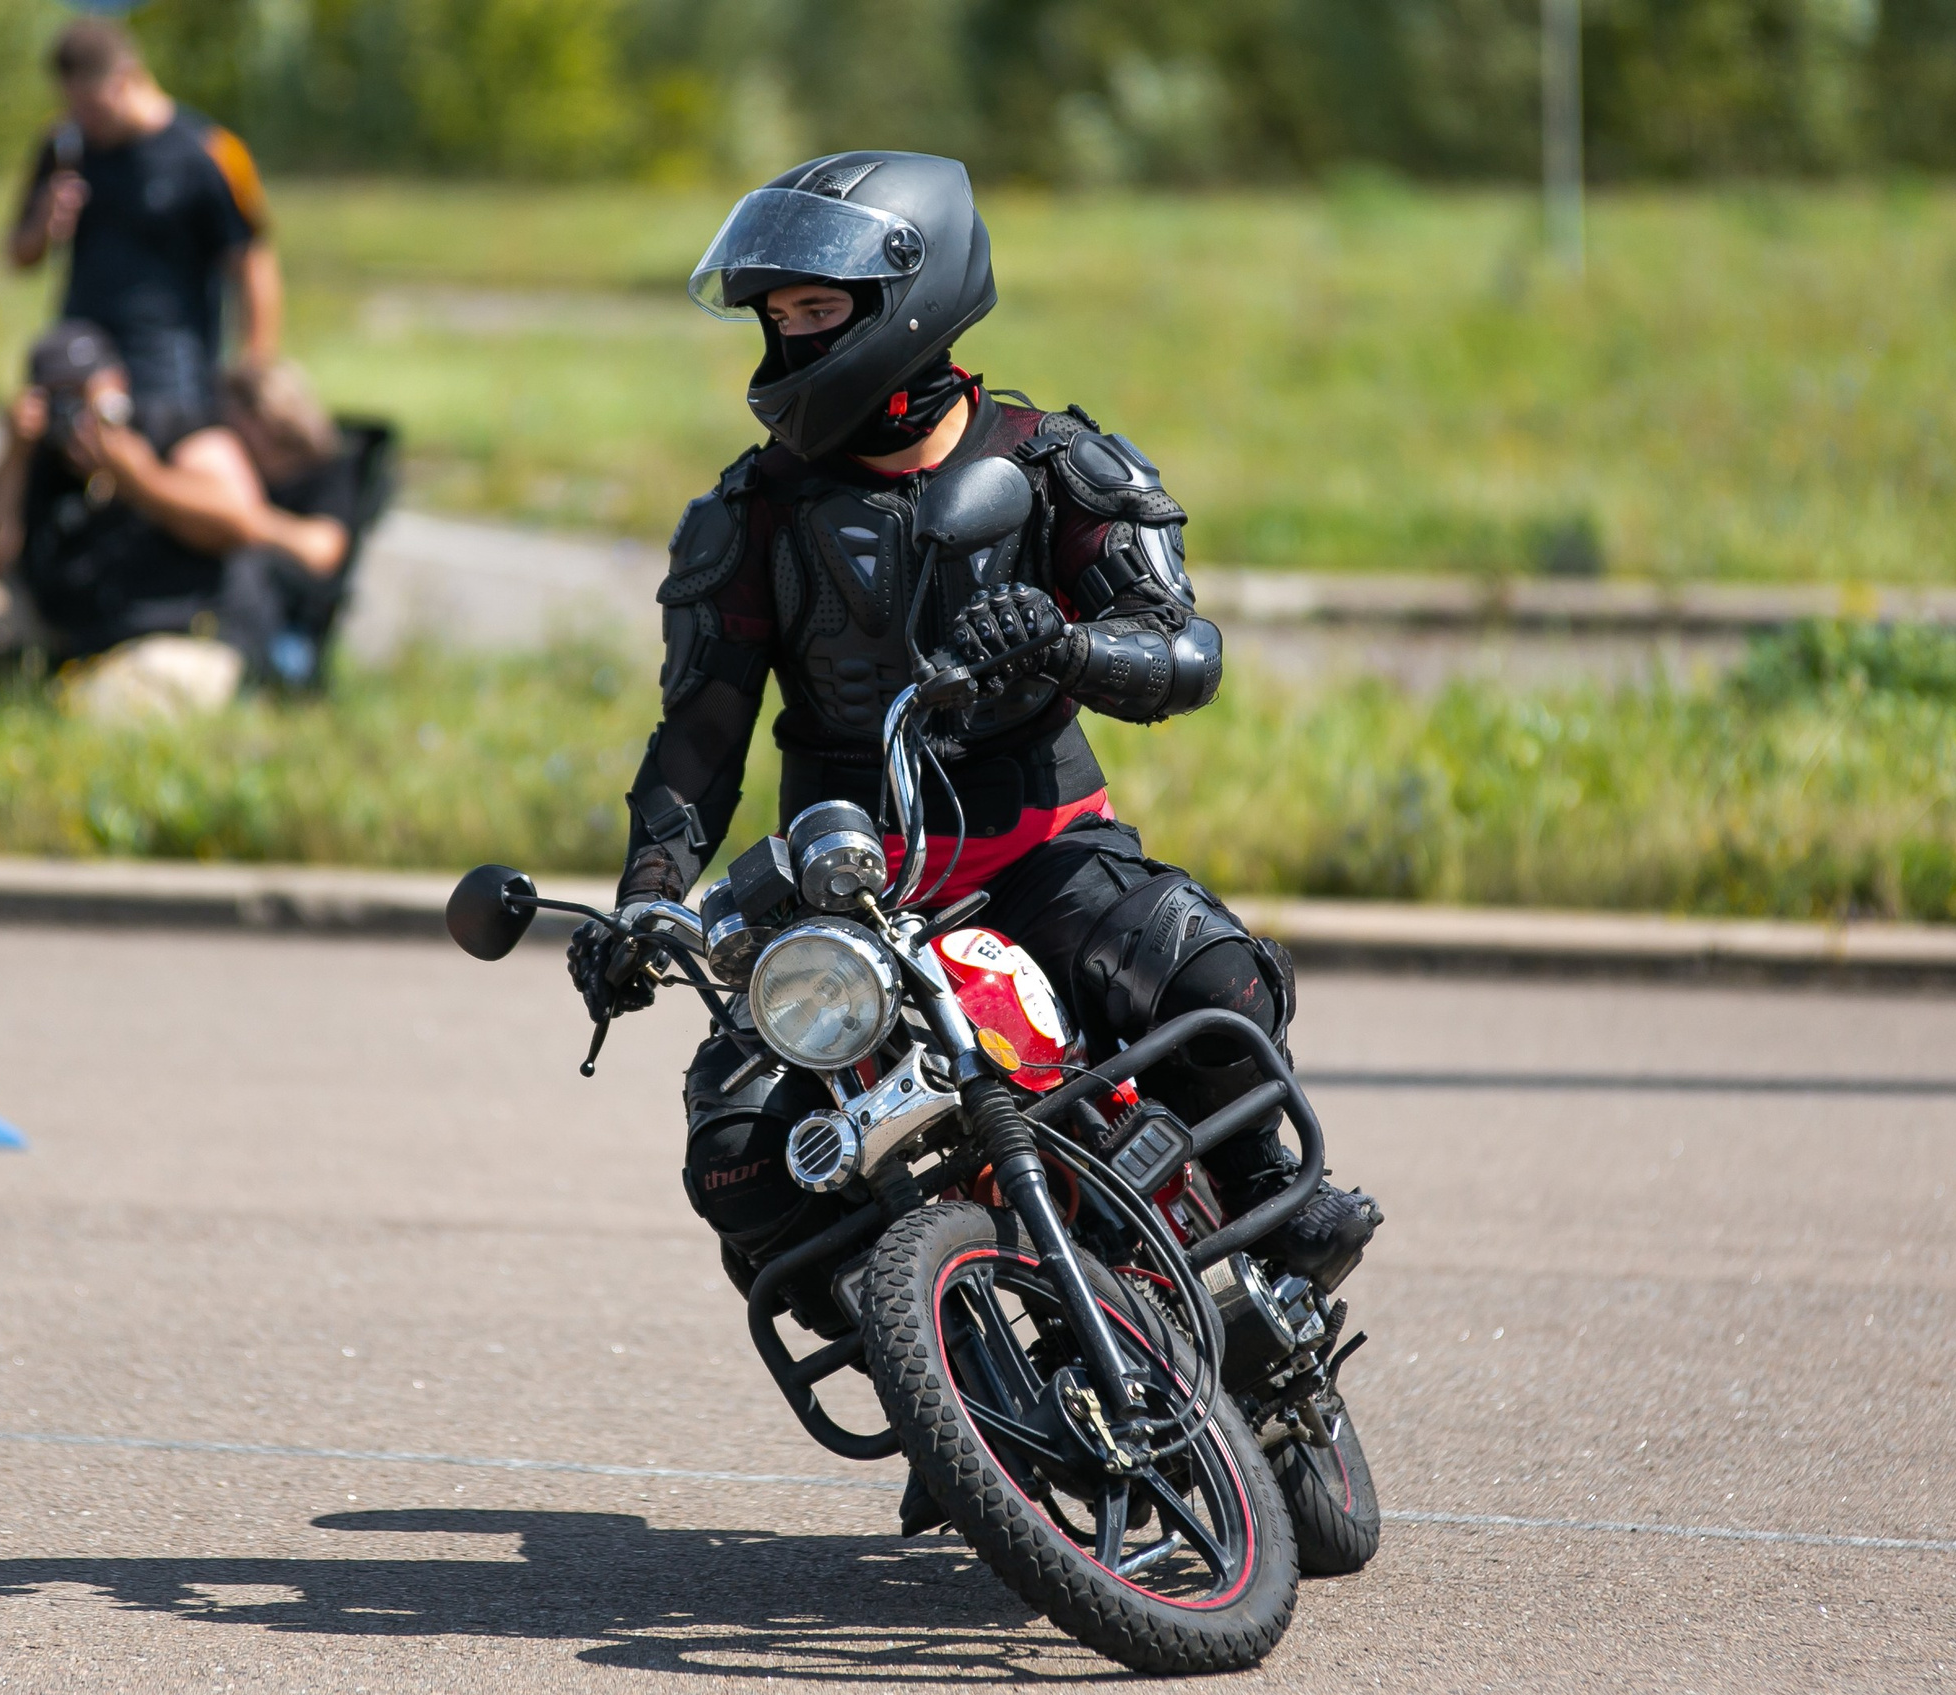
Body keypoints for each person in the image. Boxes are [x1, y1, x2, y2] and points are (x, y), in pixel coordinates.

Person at [566, 152, 1381, 1318]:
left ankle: (1275, 1210)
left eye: (819, 313)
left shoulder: (1053, 461)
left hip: (1041, 849)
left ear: (912, 300)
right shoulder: (747, 512)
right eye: (780, 318)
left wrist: (1067, 647)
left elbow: (1185, 652)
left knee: (1209, 975)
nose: (794, 342)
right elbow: (699, 733)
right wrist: (647, 895)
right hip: (844, 883)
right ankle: (925, 1355)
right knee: (739, 1146)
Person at [0, 321, 350, 692]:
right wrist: (13, 456)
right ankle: (16, 697)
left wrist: (142, 480)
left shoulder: (173, 432)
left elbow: (238, 517)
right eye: (60, 399)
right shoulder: (39, 456)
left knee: (110, 705)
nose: (77, 415)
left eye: (85, 395)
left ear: (117, 384)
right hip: (73, 627)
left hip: (174, 634)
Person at [7, 18, 281, 452]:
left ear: (127, 78)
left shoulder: (210, 152)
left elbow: (252, 261)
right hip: (81, 356)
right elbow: (19, 257)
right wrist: (44, 221)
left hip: (172, 371)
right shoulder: (65, 146)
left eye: (92, 107)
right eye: (73, 107)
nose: (83, 120)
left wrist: (255, 368)